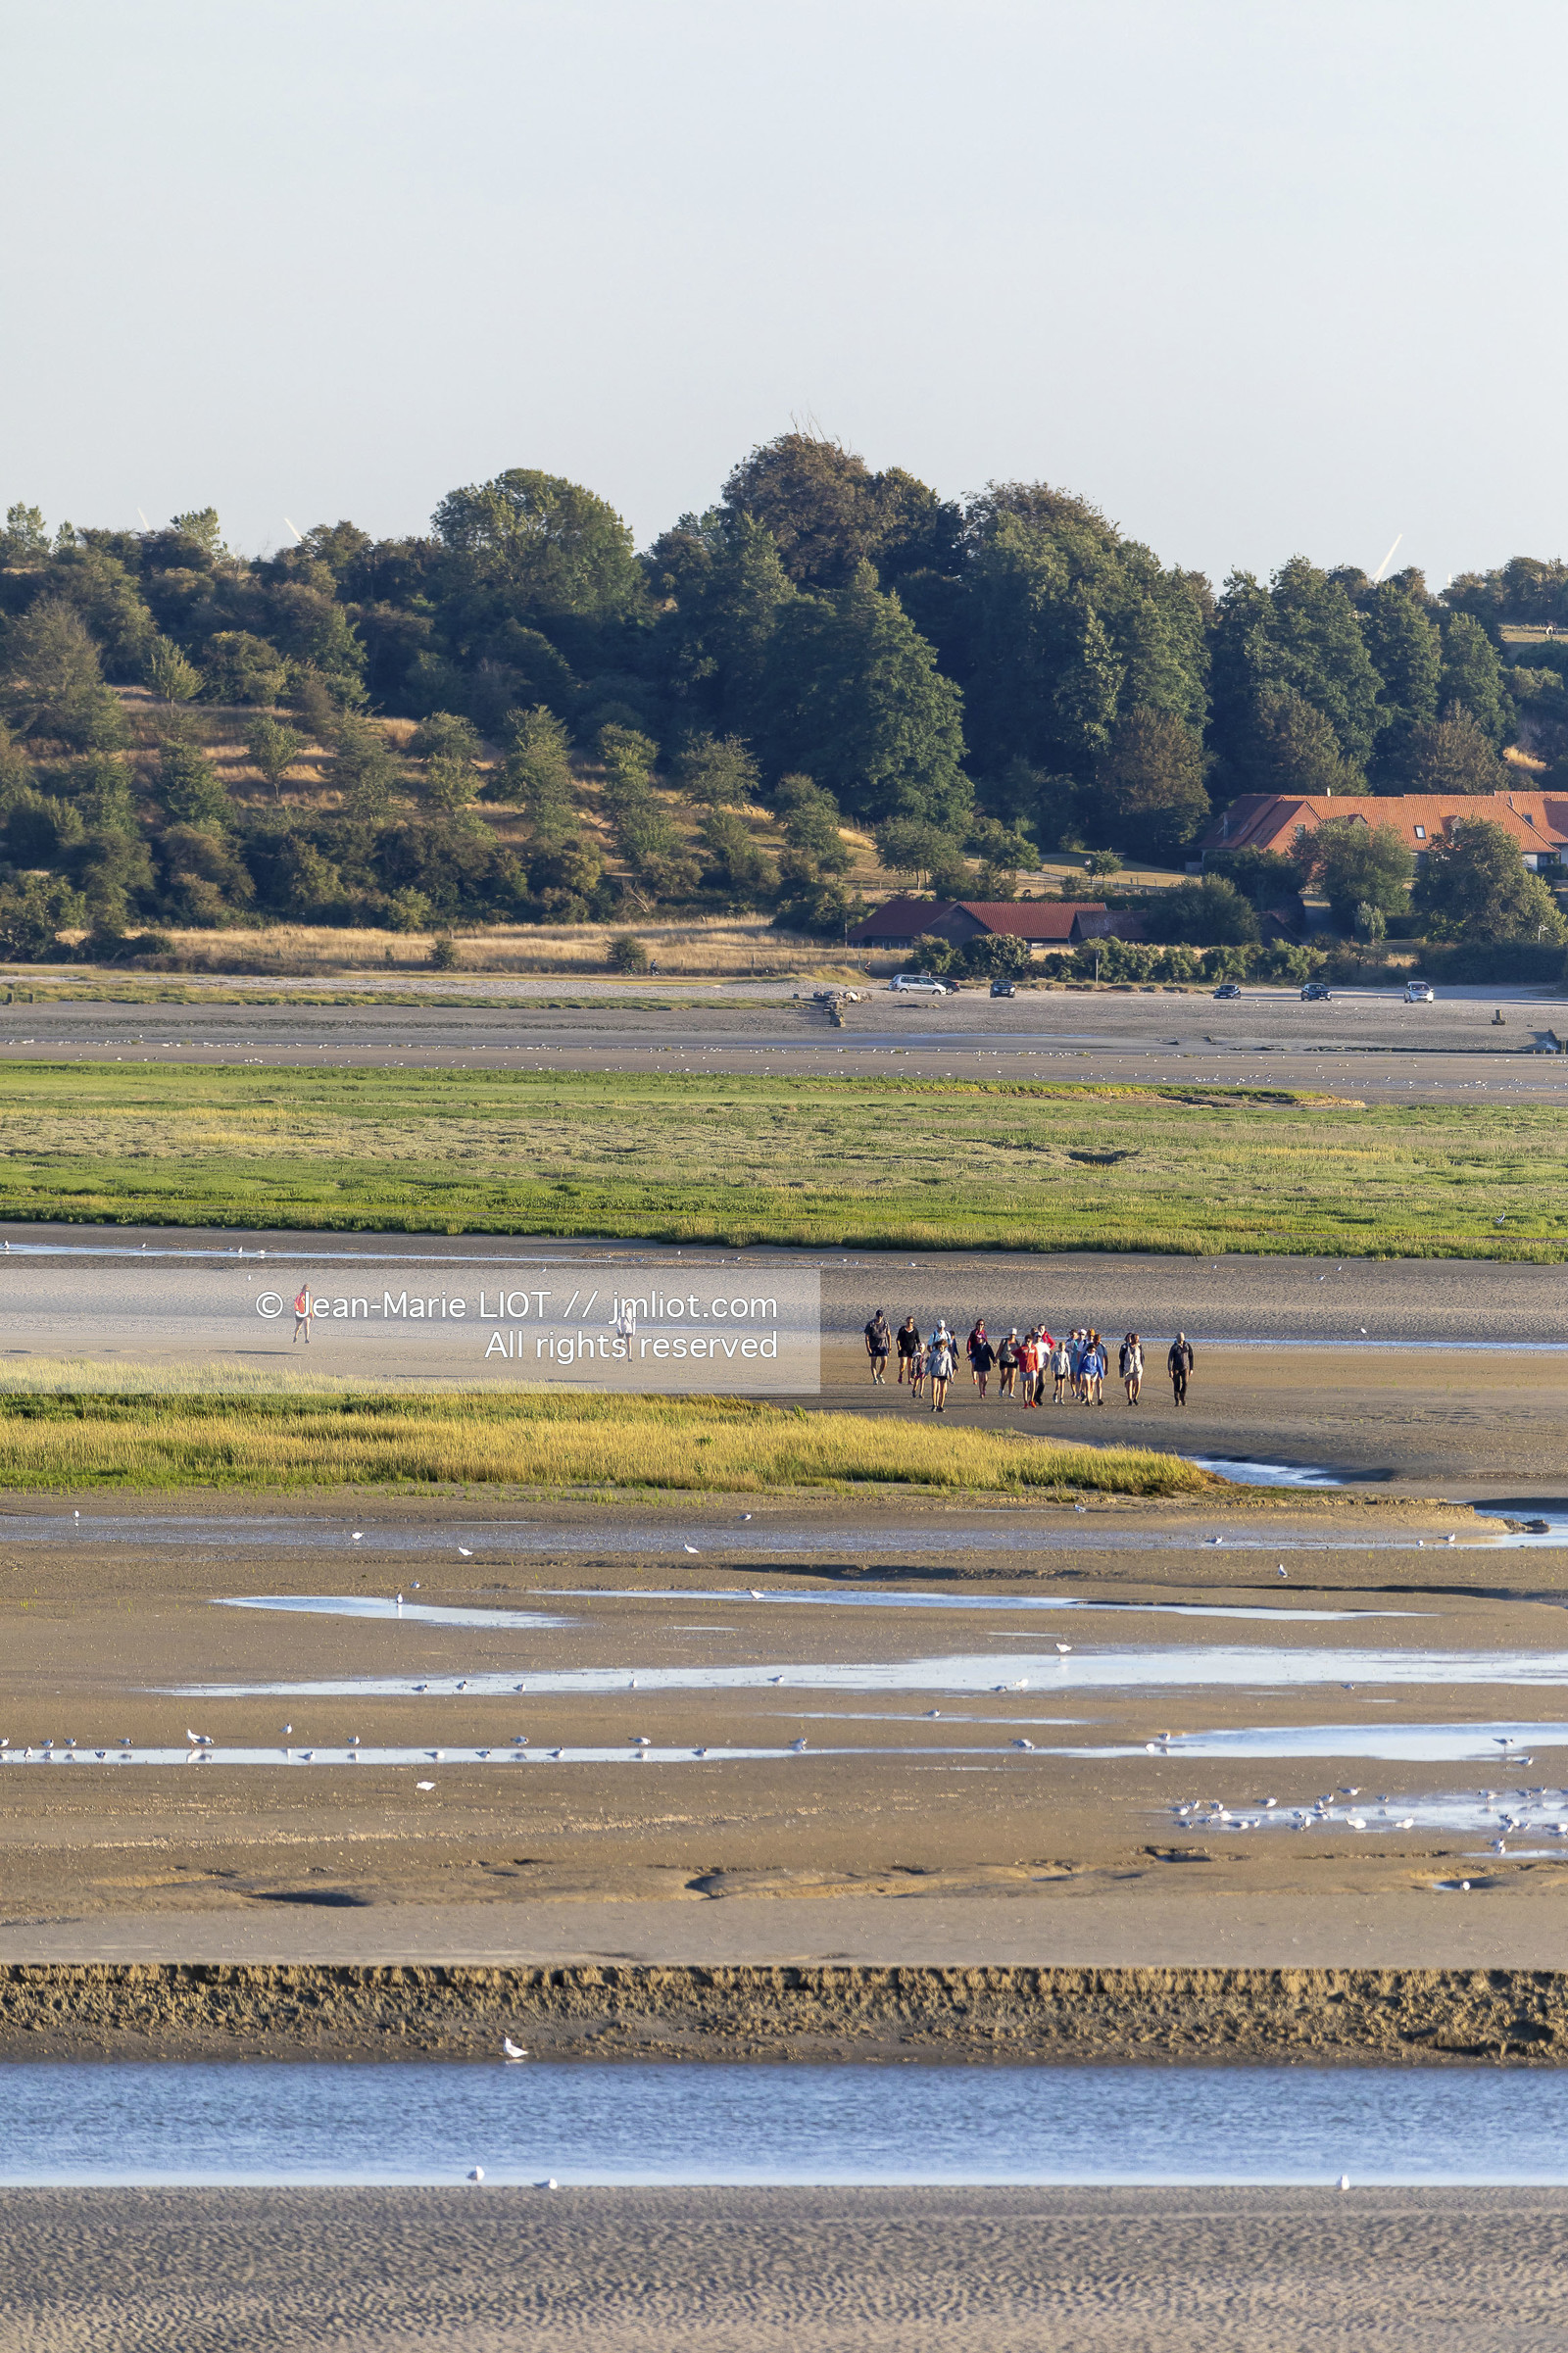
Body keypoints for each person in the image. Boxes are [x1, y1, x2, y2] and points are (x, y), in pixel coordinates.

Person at [928, 1327, 955, 1412]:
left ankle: (941, 1406)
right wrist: (926, 1372)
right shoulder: (934, 1353)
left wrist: (951, 1376)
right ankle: (934, 1405)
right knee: (934, 1389)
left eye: (942, 1346)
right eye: (939, 1346)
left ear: (945, 1346)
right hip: (935, 1373)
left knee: (943, 1391)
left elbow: (949, 1365)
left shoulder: (947, 1354)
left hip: (943, 1374)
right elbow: (929, 1364)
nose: (941, 1347)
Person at [968, 1322, 995, 1399]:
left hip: (986, 1363)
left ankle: (983, 1387)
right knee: (980, 1378)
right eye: (977, 1338)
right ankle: (981, 1393)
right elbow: (974, 1353)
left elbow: (991, 1354)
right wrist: (969, 1357)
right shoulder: (977, 1346)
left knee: (985, 1378)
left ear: (983, 1339)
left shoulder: (987, 1347)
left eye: (979, 1338)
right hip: (979, 1363)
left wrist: (994, 1361)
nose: (978, 1339)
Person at [864, 1309, 891, 1384]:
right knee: (873, 1361)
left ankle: (879, 1374)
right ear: (876, 1316)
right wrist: (868, 1347)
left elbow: (888, 1335)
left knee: (884, 1360)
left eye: (881, 1316)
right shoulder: (871, 1324)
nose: (879, 1318)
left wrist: (889, 1346)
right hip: (873, 1345)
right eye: (878, 1316)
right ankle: (875, 1378)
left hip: (883, 1345)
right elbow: (867, 1337)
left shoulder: (885, 1324)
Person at [1168, 1331, 1195, 1405]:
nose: (1180, 1341)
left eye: (1181, 1340)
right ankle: (1177, 1400)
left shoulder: (1187, 1346)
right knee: (1177, 1384)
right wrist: (1170, 1370)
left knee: (1185, 1383)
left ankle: (1182, 1397)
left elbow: (1191, 1357)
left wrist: (1191, 1369)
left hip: (1185, 1368)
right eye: (1179, 1339)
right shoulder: (1174, 1347)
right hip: (1176, 1368)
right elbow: (1170, 1359)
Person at [1120, 1332, 1144, 1405]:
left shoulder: (1139, 1347)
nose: (1137, 1340)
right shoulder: (1125, 1347)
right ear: (1132, 1339)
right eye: (1136, 1339)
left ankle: (1135, 1398)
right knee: (1129, 1383)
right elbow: (1121, 1357)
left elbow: (1142, 1357)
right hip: (1128, 1368)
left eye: (1138, 1339)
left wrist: (1142, 1366)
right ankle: (1130, 1399)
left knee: (1138, 1381)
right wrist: (1122, 1367)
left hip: (1137, 1367)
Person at [1083, 1330, 1105, 1405]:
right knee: (1088, 1385)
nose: (1097, 1342)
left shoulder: (1102, 1347)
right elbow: (1082, 1355)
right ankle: (1088, 1399)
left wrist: (1104, 1369)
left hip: (1098, 1368)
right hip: (1088, 1369)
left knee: (1097, 1384)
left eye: (1098, 1340)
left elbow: (1105, 1357)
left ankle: (1098, 1399)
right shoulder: (1088, 1346)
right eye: (1095, 1340)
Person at [896, 1316, 920, 1385]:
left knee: (910, 1365)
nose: (910, 1324)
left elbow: (918, 1340)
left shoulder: (915, 1330)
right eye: (908, 1322)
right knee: (903, 1364)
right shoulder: (902, 1329)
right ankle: (900, 1375)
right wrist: (898, 1346)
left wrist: (920, 1347)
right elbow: (898, 1339)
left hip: (912, 1349)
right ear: (906, 1322)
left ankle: (909, 1379)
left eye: (911, 1322)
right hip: (903, 1349)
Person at [998, 1329, 1020, 1399]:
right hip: (1004, 1360)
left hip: (1013, 1361)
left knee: (1012, 1376)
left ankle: (1011, 1393)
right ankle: (1002, 1387)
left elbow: (1019, 1352)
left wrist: (1020, 1360)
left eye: (1013, 1335)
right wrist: (995, 1360)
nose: (1012, 1336)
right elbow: (999, 1350)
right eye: (1011, 1334)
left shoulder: (1017, 1342)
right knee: (1004, 1376)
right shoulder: (1004, 1341)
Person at [1050, 1332, 1071, 1404]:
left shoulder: (1065, 1354)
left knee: (1062, 1385)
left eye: (1063, 1348)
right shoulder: (1056, 1353)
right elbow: (1052, 1362)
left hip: (1063, 1371)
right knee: (1058, 1384)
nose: (1062, 1349)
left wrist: (1068, 1374)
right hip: (1057, 1371)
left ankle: (1061, 1398)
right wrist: (1052, 1371)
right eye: (1061, 1347)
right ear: (1059, 1347)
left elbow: (1067, 1364)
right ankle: (1055, 1393)